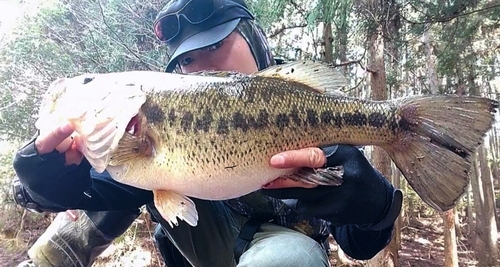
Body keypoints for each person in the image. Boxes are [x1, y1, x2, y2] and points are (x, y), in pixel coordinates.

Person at [12, 0, 403, 266]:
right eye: (185, 60)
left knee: (289, 257)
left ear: (256, 39)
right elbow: (98, 189)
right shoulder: (150, 116)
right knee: (121, 170)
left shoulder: (304, 106)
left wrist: (373, 203)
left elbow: (361, 246)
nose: (200, 69)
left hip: (284, 253)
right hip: (198, 247)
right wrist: (40, 186)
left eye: (215, 45)